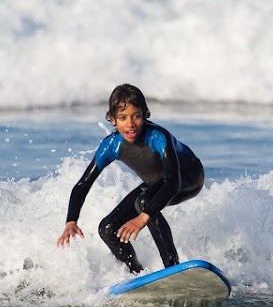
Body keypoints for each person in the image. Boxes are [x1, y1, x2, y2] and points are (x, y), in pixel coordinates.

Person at [57, 84, 204, 273]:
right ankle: (136, 272)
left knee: (144, 203)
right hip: (157, 183)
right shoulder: (111, 145)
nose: (130, 124)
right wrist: (71, 222)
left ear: (145, 114)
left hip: (189, 176)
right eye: (122, 118)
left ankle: (173, 269)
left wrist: (143, 217)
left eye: (136, 116)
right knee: (107, 228)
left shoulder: (158, 137)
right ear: (112, 119)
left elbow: (173, 183)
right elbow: (82, 186)